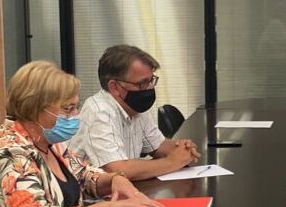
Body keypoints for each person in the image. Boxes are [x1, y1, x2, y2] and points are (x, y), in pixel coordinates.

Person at [0, 61, 163, 207]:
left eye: (76, 106)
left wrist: (114, 180)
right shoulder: (11, 153)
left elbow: (83, 175)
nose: (75, 115)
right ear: (33, 109)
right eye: (68, 109)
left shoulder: (49, 141)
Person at [69, 45, 200, 181]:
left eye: (151, 80)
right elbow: (118, 170)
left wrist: (182, 148)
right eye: (142, 83)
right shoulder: (99, 111)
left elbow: (159, 146)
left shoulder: (134, 107)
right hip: (88, 193)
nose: (150, 88)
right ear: (115, 87)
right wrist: (172, 162)